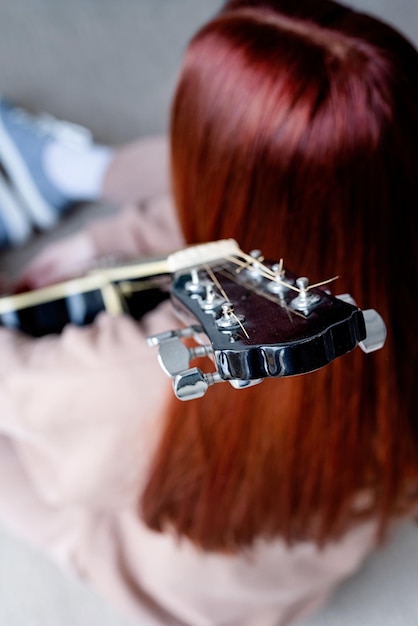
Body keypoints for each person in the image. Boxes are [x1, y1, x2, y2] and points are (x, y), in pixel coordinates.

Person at [0, 1, 417, 625]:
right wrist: (105, 242)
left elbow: (25, 394)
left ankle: (57, 169)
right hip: (311, 550)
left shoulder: (133, 380)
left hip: (168, 578)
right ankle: (66, 167)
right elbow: (286, 210)